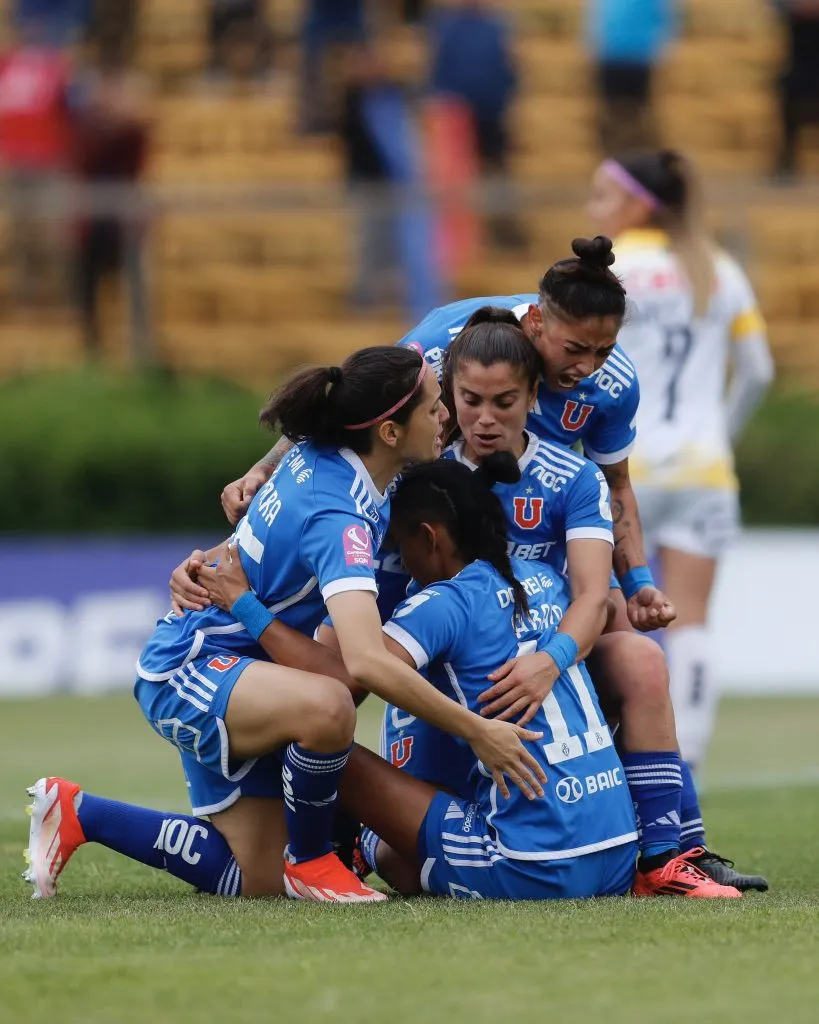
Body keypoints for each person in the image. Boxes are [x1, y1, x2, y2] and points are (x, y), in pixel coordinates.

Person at [23, 346, 545, 904]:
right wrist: (477, 730)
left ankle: (77, 812)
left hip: (245, 672)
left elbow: (253, 561)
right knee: (331, 706)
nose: (448, 418)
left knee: (255, 882)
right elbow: (363, 664)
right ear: (390, 432)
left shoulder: (334, 460)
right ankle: (314, 860)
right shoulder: (338, 514)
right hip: (193, 670)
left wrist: (212, 560)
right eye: (435, 408)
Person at [27, 456, 652, 902]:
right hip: (617, 853)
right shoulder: (546, 583)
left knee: (322, 727)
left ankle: (322, 854)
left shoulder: (441, 603)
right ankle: (86, 812)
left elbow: (351, 675)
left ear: (429, 538)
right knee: (276, 866)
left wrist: (246, 608)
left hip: (534, 867)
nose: (397, 563)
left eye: (400, 547)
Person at [374, 310, 748, 897]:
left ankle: (667, 856)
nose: (486, 418)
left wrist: (549, 659)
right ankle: (326, 849)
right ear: (449, 396)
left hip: (552, 649)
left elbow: (594, 597)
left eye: (505, 401)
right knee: (396, 865)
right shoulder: (422, 473)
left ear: (533, 397)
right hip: (449, 661)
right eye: (471, 400)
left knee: (643, 658)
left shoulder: (571, 476)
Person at [219, 236, 673, 638]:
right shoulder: (443, 340)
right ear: (536, 321)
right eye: (574, 349)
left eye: (604, 351)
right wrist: (263, 469)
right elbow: (349, 403)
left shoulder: (614, 386)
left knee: (627, 646)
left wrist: (638, 584)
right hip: (425, 531)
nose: (589, 367)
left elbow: (615, 485)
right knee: (348, 669)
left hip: (532, 540)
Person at [586, 150, 775, 779]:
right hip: (701, 470)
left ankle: (606, 751)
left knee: (601, 607)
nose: (595, 209)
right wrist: (718, 433)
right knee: (691, 620)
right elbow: (758, 372)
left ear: (639, 202)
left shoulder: (612, 272)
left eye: (603, 196)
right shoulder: (717, 268)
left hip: (624, 470)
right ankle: (684, 761)